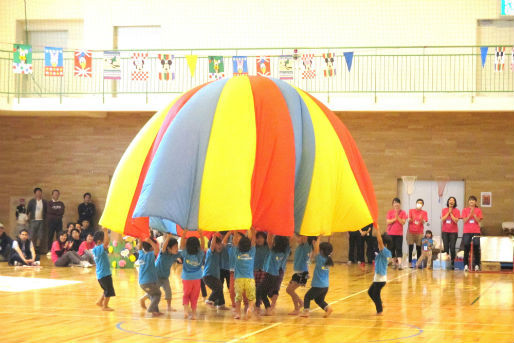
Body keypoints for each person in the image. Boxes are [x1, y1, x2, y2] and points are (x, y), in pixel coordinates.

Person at [256, 234, 290, 316]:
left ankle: (268, 309)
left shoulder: (273, 251)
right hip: (275, 276)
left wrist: (270, 231)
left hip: (270, 275)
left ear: (276, 242)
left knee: (260, 291)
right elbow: (289, 242)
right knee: (262, 291)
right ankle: (268, 308)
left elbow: (268, 240)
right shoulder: (285, 251)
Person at [300, 239, 333, 318]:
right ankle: (328, 308)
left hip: (318, 286)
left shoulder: (320, 259)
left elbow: (316, 250)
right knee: (319, 300)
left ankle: (306, 312)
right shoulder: (328, 259)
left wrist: (317, 237)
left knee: (307, 297)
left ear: (321, 251)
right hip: (325, 286)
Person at [150, 234, 181, 312]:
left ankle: (169, 307)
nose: (177, 249)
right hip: (156, 276)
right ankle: (144, 298)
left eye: (177, 247)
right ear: (169, 248)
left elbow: (183, 252)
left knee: (168, 291)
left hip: (165, 277)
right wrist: (168, 238)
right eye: (175, 247)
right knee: (154, 292)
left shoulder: (175, 254)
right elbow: (163, 247)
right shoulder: (163, 253)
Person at [180, 229, 206, 320]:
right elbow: (203, 246)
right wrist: (201, 235)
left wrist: (184, 234)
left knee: (186, 295)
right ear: (197, 245)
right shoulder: (200, 253)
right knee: (194, 297)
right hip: (197, 278)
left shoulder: (185, 253)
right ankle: (194, 314)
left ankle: (186, 311)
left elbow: (181, 245)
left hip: (186, 278)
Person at [232, 228, 257, 320]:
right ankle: (250, 308)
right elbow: (253, 241)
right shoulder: (252, 252)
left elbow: (234, 241)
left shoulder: (237, 253)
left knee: (238, 298)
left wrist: (235, 230)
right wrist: (252, 229)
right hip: (249, 279)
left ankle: (238, 313)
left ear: (239, 245)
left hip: (239, 279)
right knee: (251, 298)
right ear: (250, 245)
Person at [368, 227, 392, 315]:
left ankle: (380, 311)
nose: (378, 244)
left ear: (384, 244)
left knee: (376, 294)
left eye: (380, 243)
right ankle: (380, 304)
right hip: (378, 278)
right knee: (370, 292)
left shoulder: (385, 251)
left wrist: (378, 230)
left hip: (380, 279)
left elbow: (380, 241)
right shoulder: (383, 251)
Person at [286, 235, 313, 315]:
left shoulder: (307, 247)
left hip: (302, 273)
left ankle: (297, 308)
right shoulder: (300, 246)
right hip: (298, 272)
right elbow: (294, 237)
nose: (297, 238)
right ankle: (301, 303)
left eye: (300, 237)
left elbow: (305, 236)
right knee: (289, 290)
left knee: (289, 290)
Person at [137, 236, 162, 317]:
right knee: (157, 294)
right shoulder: (150, 255)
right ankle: (151, 309)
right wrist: (150, 241)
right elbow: (157, 250)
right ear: (151, 247)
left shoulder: (141, 255)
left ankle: (156, 312)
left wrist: (140, 239)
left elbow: (139, 247)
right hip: (149, 282)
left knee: (152, 295)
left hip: (142, 282)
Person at [203, 235, 228, 310]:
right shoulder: (210, 252)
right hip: (208, 276)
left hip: (214, 276)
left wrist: (228, 234)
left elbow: (224, 243)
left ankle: (221, 304)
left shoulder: (218, 253)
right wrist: (214, 235)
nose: (220, 246)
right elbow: (212, 245)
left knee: (220, 287)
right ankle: (210, 300)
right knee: (218, 287)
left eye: (220, 244)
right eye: (217, 244)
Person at [92, 229, 115, 311]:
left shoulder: (97, 249)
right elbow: (106, 243)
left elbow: (106, 245)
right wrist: (105, 231)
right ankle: (105, 306)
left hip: (102, 274)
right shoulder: (98, 249)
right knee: (109, 291)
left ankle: (100, 302)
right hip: (104, 274)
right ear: (99, 242)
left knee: (106, 289)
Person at [462, 195, 483, 271]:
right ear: (468, 202)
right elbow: (464, 221)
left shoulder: (478, 210)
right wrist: (469, 214)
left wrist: (474, 215)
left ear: (475, 202)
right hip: (467, 231)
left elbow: (479, 221)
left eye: (473, 200)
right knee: (466, 247)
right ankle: (466, 265)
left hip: (476, 231)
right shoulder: (464, 210)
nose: (471, 201)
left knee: (476, 247)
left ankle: (477, 265)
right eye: (470, 200)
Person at [386, 198, 406, 269]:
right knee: (391, 248)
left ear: (400, 204)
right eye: (394, 203)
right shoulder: (390, 212)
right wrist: (394, 219)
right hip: (390, 234)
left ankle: (400, 264)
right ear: (392, 204)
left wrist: (398, 217)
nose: (396, 204)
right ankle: (394, 263)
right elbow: (388, 222)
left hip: (399, 234)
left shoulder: (403, 212)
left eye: (397, 202)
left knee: (399, 248)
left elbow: (403, 222)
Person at [407, 199, 428, 267]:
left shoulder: (424, 212)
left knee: (418, 248)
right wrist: (410, 220)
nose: (419, 204)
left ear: (422, 205)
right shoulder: (411, 211)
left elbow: (425, 221)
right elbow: (409, 219)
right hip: (411, 232)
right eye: (418, 203)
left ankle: (418, 263)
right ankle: (410, 262)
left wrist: (422, 221)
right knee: (410, 247)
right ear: (416, 203)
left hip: (419, 232)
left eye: (420, 203)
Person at [26, 187, 47, 254]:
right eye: (37, 192)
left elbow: (47, 211)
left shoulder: (44, 201)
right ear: (35, 193)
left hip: (41, 221)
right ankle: (32, 250)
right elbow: (27, 211)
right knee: (32, 236)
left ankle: (40, 250)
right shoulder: (31, 201)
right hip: (33, 221)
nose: (39, 194)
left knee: (41, 237)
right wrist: (27, 218)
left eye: (40, 192)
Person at [441, 196, 460, 269]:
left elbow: (456, 220)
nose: (451, 201)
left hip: (453, 232)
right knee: (445, 248)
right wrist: (448, 212)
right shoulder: (444, 210)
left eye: (453, 200)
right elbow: (443, 219)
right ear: (448, 202)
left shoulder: (457, 210)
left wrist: (451, 213)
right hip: (445, 231)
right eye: (450, 200)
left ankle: (453, 263)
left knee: (452, 248)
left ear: (454, 202)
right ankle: (446, 262)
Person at [253, 231, 270, 312]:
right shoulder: (254, 247)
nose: (259, 240)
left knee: (260, 288)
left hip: (264, 270)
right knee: (255, 287)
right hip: (254, 270)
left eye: (261, 238)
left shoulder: (267, 247)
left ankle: (257, 304)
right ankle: (257, 303)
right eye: (257, 238)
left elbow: (270, 239)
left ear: (265, 239)